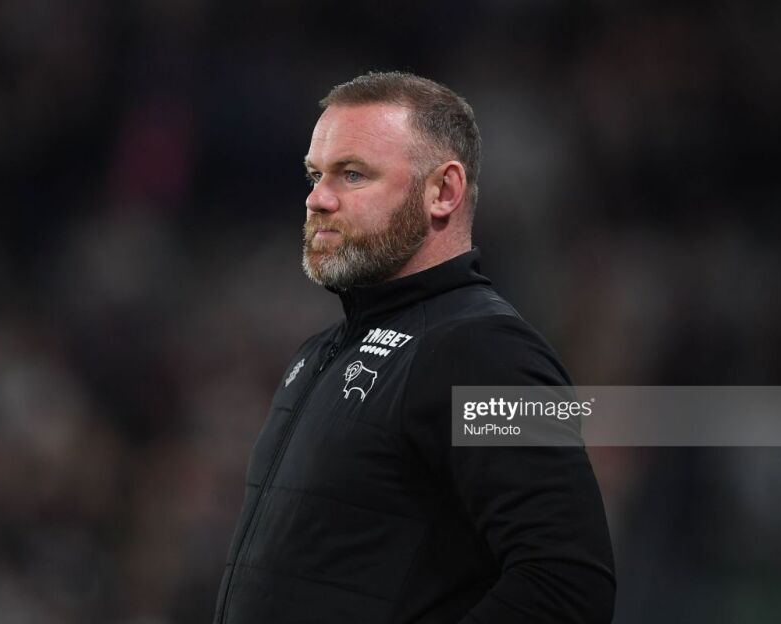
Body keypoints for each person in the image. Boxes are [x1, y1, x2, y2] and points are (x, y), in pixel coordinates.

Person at [213, 71, 615, 623]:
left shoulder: (488, 352)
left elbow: (567, 584)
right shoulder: (318, 354)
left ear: (443, 192)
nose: (317, 199)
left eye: (352, 174)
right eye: (315, 175)